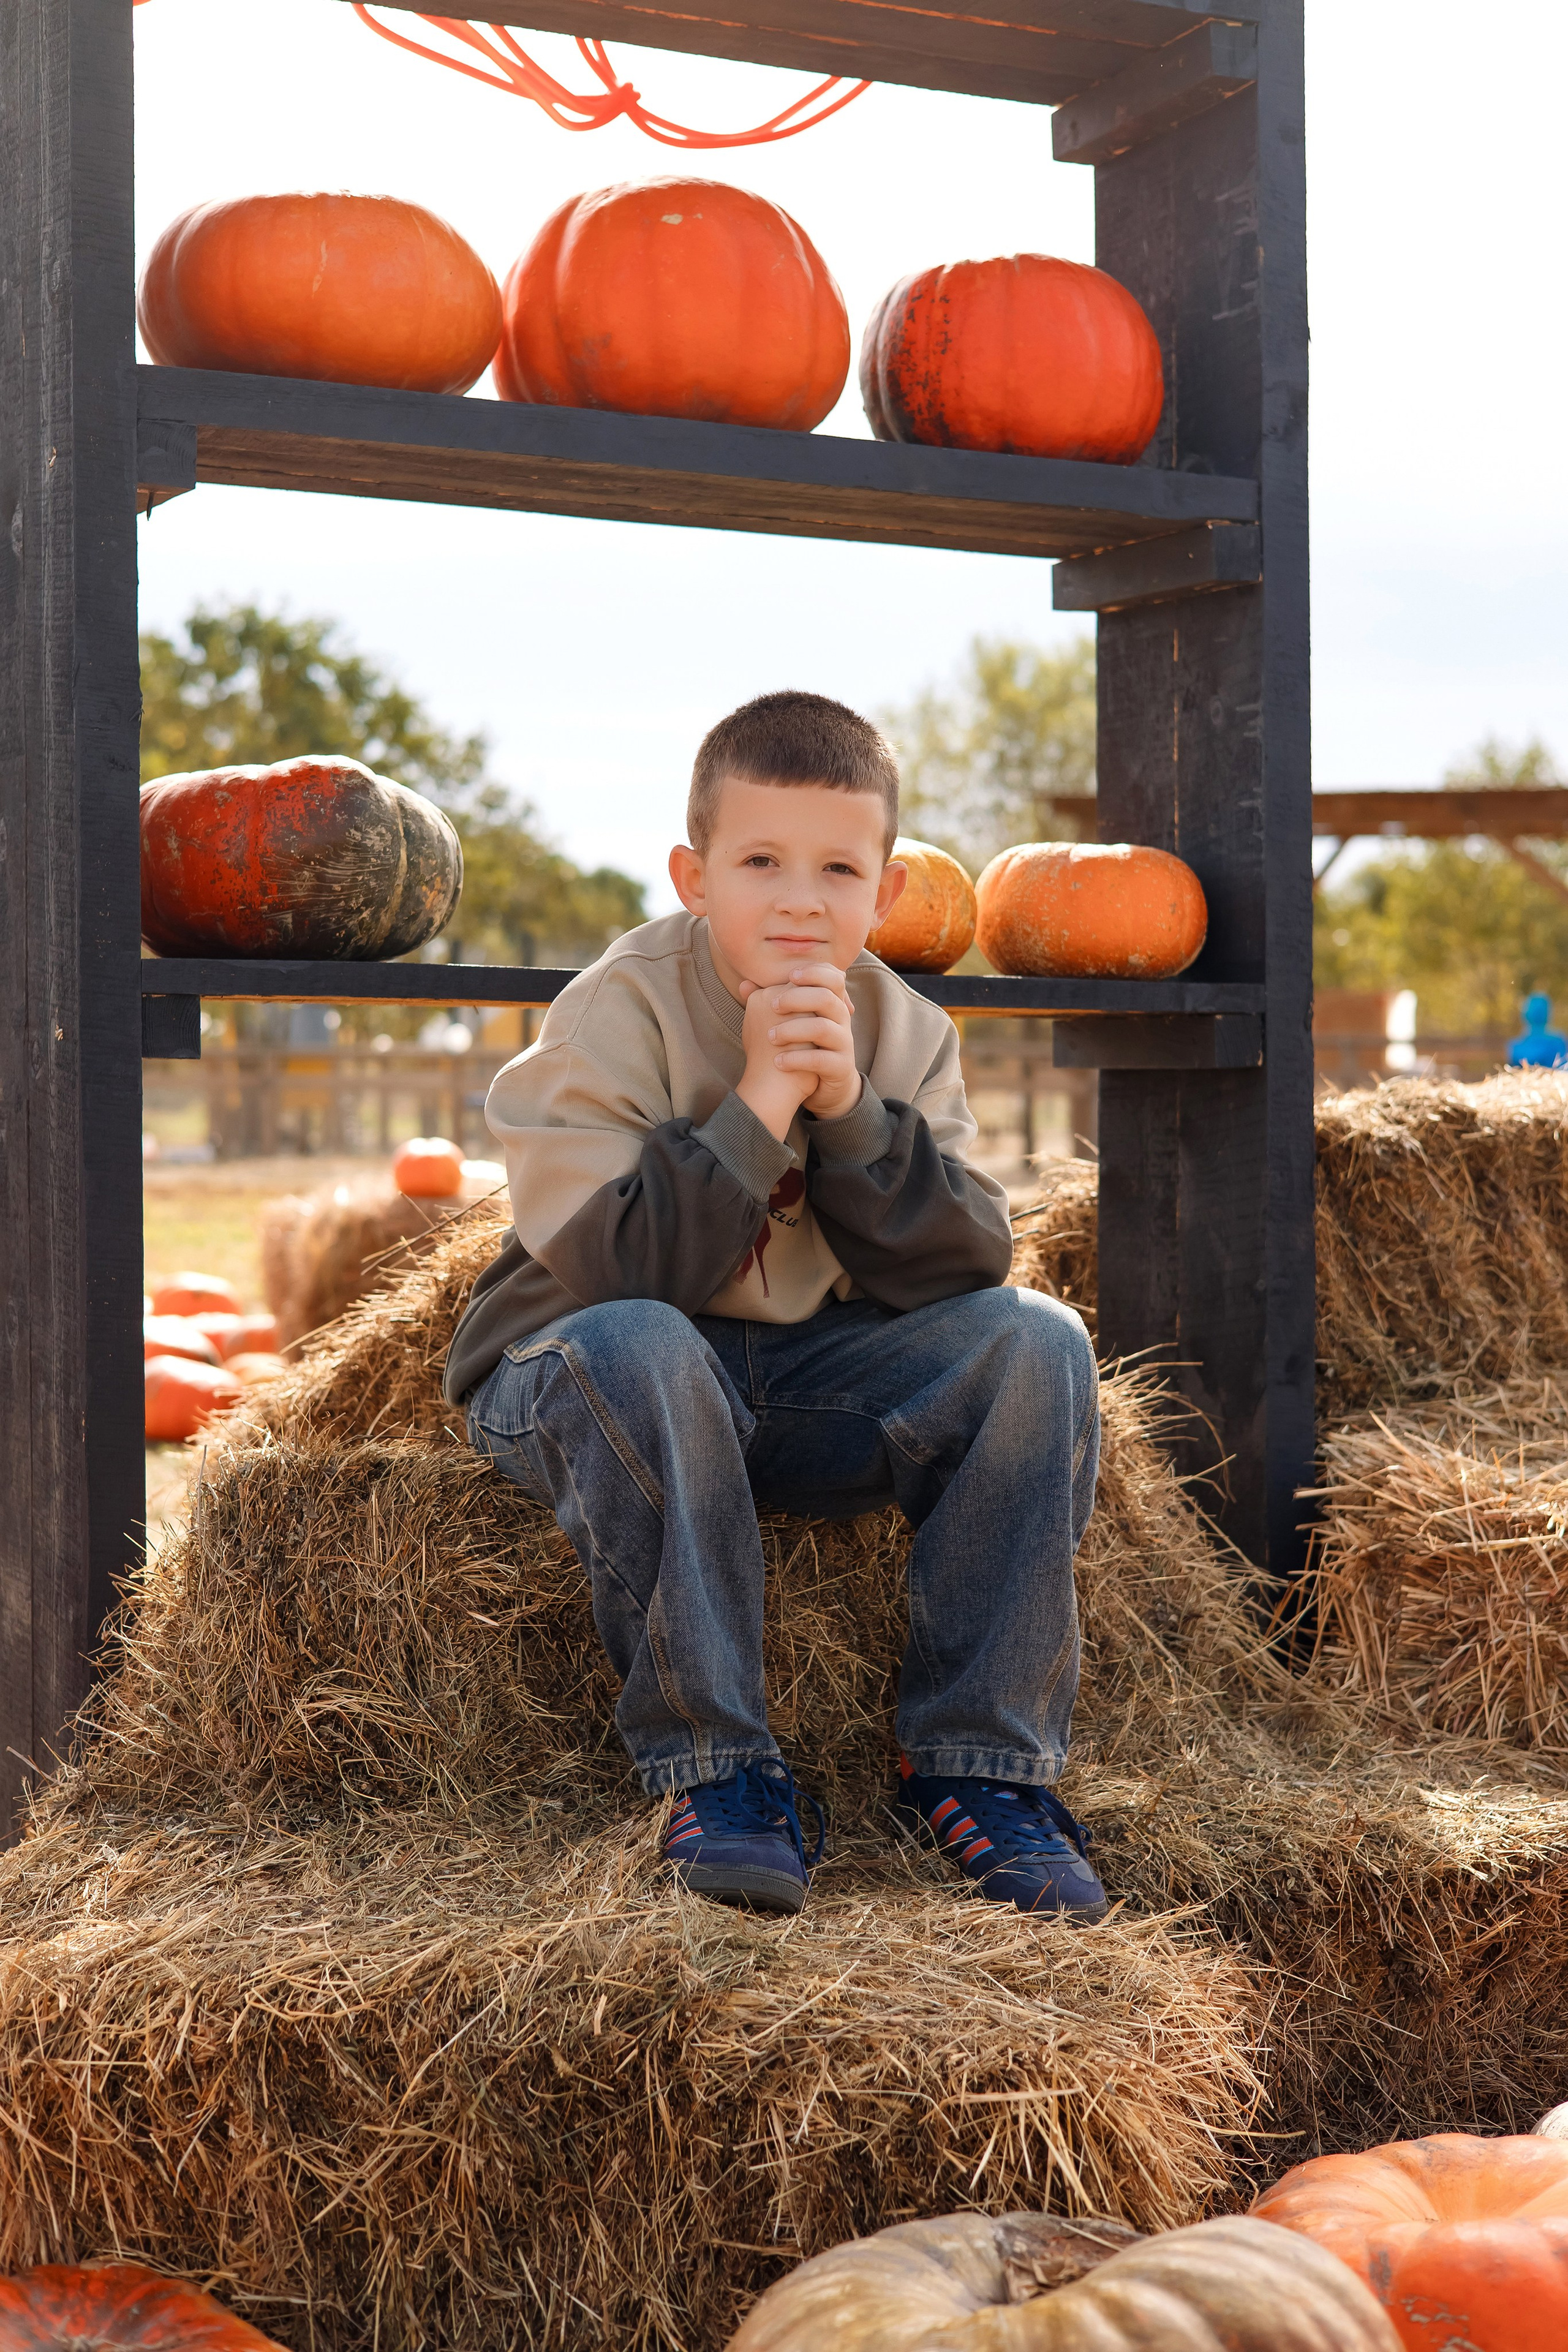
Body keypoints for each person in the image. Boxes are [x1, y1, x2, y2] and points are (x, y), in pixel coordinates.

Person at [445, 690, 1106, 1923]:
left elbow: (959, 1269)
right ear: (695, 876)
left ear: (885, 890)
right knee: (646, 1343)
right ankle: (720, 1767)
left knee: (1036, 1342)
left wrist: (851, 1110)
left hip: (796, 1387)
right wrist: (755, 1102)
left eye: (837, 869)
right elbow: (623, 1275)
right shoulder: (620, 1007)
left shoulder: (900, 1028)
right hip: (582, 1376)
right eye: (760, 862)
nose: (799, 900)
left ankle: (977, 1767)